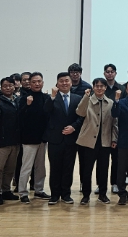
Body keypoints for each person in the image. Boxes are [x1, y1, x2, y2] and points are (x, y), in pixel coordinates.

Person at [43, 72, 83, 205]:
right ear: (57, 83)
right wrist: (52, 97)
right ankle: (54, 195)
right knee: (55, 168)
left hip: (71, 139)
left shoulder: (78, 98)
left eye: (67, 81)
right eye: (61, 81)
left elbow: (82, 116)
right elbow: (46, 112)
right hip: (55, 139)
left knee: (68, 168)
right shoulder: (51, 97)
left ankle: (66, 194)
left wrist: (74, 127)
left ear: (71, 83)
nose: (64, 83)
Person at [75, 78, 116, 205]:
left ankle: (102, 194)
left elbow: (114, 123)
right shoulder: (87, 100)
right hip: (87, 141)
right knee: (86, 169)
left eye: (102, 86)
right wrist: (85, 97)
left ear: (105, 88)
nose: (99, 88)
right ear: (93, 87)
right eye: (97, 86)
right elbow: (80, 112)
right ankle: (85, 195)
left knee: (103, 169)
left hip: (104, 141)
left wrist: (114, 139)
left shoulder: (110, 102)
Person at [17, 72, 50, 203]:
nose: (37, 84)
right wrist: (27, 104)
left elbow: (48, 116)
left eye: (39, 81)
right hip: (28, 139)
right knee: (26, 166)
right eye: (34, 82)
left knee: (40, 167)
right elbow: (19, 117)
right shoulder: (24, 98)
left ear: (43, 83)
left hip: (42, 138)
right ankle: (22, 192)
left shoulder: (46, 97)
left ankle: (39, 190)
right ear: (29, 83)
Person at [0, 77, 20, 205]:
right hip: (1, 141)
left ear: (14, 87)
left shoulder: (17, 101)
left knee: (10, 169)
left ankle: (6, 190)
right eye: (5, 86)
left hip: (15, 140)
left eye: (10, 85)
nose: (8, 88)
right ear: (1, 88)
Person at [103, 63, 125, 194]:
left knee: (116, 159)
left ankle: (115, 183)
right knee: (103, 159)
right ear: (104, 73)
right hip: (103, 126)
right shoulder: (101, 87)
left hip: (117, 127)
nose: (110, 73)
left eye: (112, 71)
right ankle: (101, 185)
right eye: (107, 71)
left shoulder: (122, 88)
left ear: (115, 73)